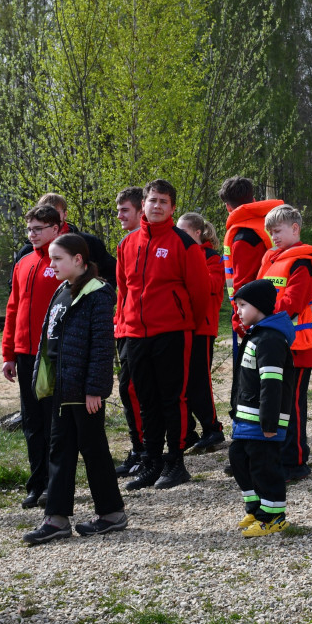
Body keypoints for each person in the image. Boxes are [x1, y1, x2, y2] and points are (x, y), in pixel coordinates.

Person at [23, 233, 128, 544]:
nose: (52, 264)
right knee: (59, 450)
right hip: (62, 388)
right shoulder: (62, 290)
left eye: (58, 259)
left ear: (78, 260)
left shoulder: (98, 293)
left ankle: (111, 513)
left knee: (93, 450)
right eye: (51, 259)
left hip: (84, 391)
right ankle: (56, 519)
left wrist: (95, 389)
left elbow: (102, 346)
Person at [116, 179, 210, 490]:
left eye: (163, 201)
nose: (157, 206)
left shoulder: (184, 244)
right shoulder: (127, 244)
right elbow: (123, 291)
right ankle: (152, 461)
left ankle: (176, 462)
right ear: (143, 204)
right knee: (145, 400)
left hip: (172, 332)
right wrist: (123, 324)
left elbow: (200, 293)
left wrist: (184, 321)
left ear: (172, 207)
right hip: (135, 333)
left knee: (173, 399)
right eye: (152, 200)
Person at [257, 204, 312, 482]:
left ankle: (295, 461)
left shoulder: (303, 263)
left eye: (277, 231)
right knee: (277, 401)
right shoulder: (272, 258)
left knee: (293, 403)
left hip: (299, 343)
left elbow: (292, 303)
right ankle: (281, 455)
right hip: (275, 341)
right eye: (271, 232)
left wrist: (257, 313)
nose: (273, 237)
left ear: (295, 228)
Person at [2, 205, 64, 509]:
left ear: (55, 228)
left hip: (52, 354)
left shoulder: (65, 260)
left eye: (38, 229)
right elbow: (13, 308)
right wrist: (8, 354)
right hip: (25, 353)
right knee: (32, 422)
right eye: (29, 229)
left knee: (54, 420)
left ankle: (56, 483)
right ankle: (36, 483)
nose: (32, 235)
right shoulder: (24, 262)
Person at [228, 279, 295, 537]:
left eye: (243, 305)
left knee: (265, 466)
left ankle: (274, 516)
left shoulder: (270, 339)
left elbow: (272, 383)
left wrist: (269, 422)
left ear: (259, 306)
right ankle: (256, 509)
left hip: (263, 421)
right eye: (237, 305)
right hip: (246, 419)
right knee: (239, 458)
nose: (238, 311)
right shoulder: (255, 335)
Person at [177, 212, 226, 451]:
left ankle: (213, 429)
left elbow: (214, 285)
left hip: (202, 328)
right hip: (180, 326)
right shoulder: (180, 254)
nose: (178, 236)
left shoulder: (211, 257)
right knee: (181, 382)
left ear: (197, 233)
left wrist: (192, 269)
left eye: (183, 231)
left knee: (199, 381)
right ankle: (187, 432)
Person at [219, 177, 283, 338]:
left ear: (228, 207)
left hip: (259, 316)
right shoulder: (269, 226)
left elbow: (243, 283)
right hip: (277, 307)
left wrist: (239, 320)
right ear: (253, 200)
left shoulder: (243, 237)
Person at [11, 192, 116, 285]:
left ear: (65, 214)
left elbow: (110, 272)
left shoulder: (88, 242)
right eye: (43, 212)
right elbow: (14, 285)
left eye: (54, 212)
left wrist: (99, 297)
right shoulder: (27, 251)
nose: (49, 216)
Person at [113, 186, 146, 477]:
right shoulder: (125, 243)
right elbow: (123, 290)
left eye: (125, 210)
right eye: (118, 210)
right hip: (125, 328)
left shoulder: (150, 242)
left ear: (140, 210)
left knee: (134, 389)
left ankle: (145, 450)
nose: (119, 216)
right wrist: (118, 321)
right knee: (128, 390)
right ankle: (139, 448)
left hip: (146, 331)